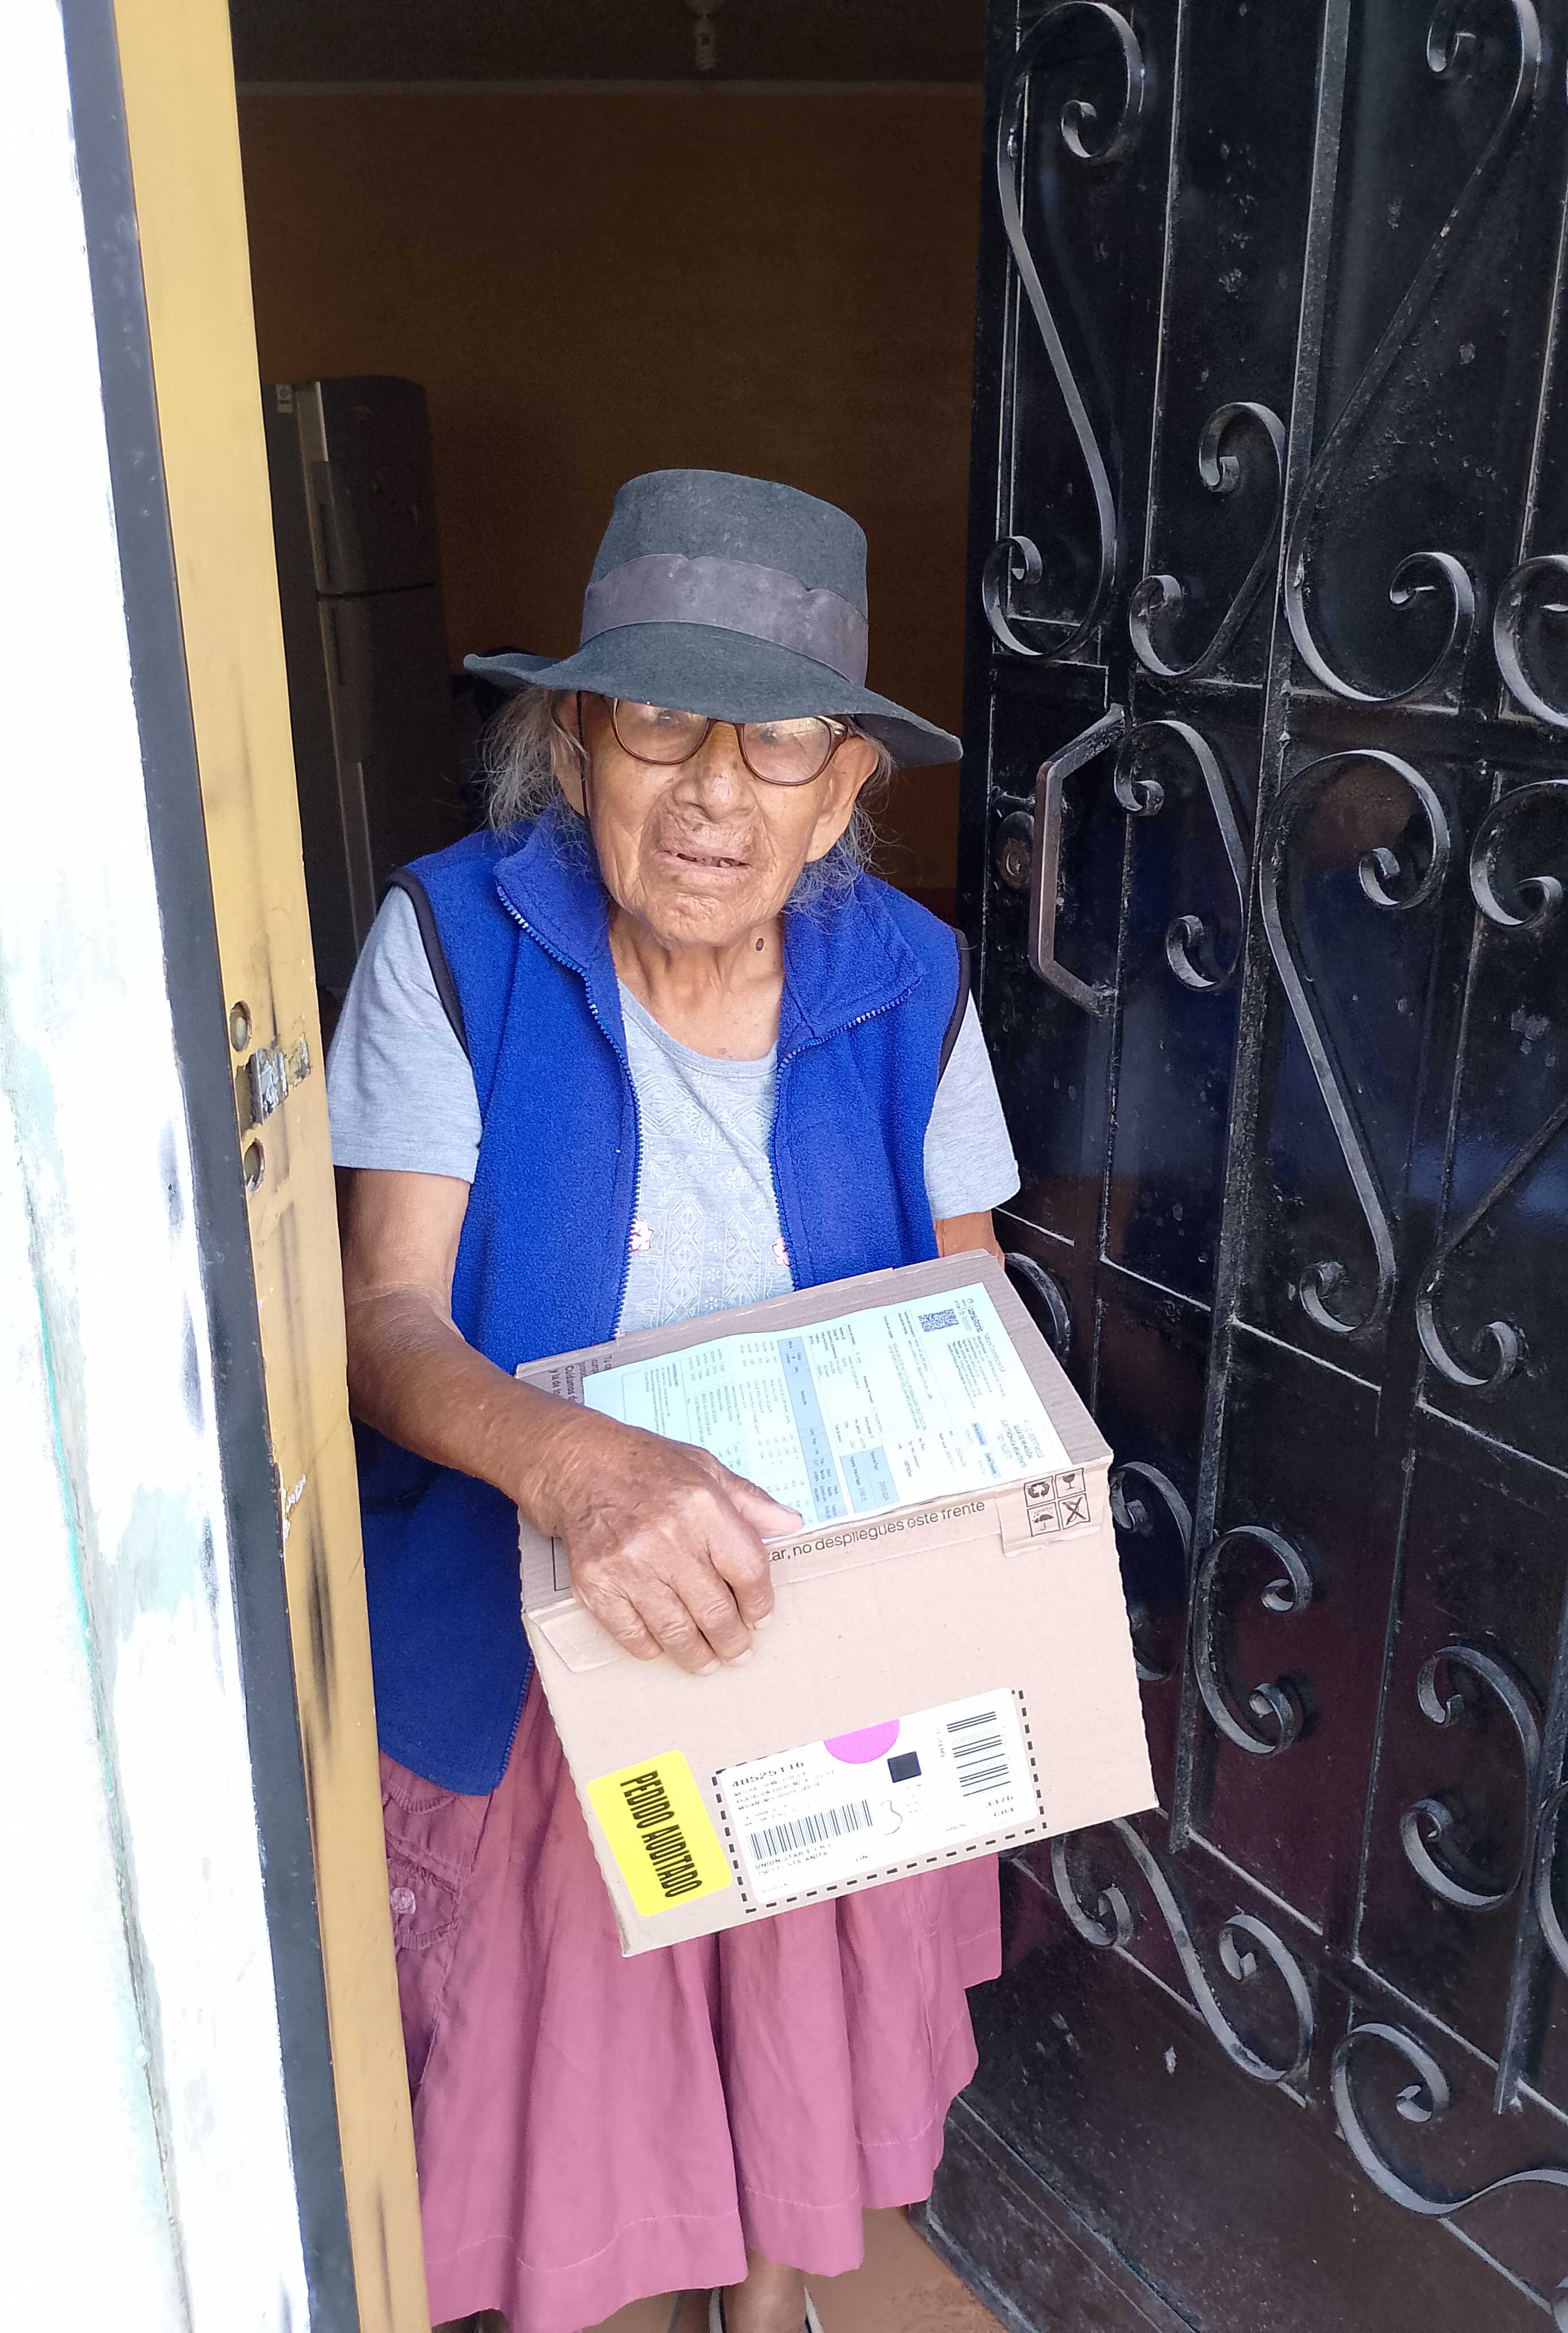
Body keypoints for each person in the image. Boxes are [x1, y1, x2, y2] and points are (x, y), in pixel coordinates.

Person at [326, 469, 1021, 2333]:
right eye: (659, 721)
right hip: (543, 1634)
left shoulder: (916, 983)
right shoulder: (456, 942)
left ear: (844, 788)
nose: (717, 789)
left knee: (810, 2003)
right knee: (557, 2080)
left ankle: (772, 2302)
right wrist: (578, 1468)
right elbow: (381, 1319)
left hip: (824, 1621)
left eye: (780, 742)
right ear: (575, 746)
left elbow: (967, 1316)